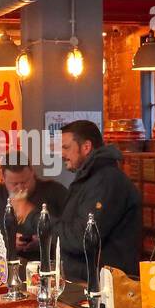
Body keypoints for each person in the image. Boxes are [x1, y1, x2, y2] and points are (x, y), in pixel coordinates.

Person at [52, 120, 142, 280]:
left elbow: (82, 238)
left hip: (105, 288)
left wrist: (43, 225)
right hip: (89, 281)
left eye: (66, 147)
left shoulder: (106, 181)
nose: (62, 154)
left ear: (86, 147)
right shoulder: (90, 179)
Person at [2, 161, 69, 261]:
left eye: (24, 182)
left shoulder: (55, 192)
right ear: (3, 179)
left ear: (32, 173)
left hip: (49, 263)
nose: (20, 188)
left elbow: (70, 232)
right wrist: (8, 242)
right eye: (15, 184)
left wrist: (45, 240)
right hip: (10, 264)